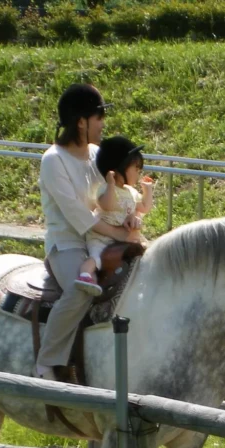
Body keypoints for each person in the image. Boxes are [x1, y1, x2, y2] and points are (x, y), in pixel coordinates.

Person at [35, 84, 140, 381]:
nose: (103, 123)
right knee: (82, 290)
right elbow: (78, 216)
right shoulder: (53, 161)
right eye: (99, 117)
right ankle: (46, 363)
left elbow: (118, 191)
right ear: (81, 121)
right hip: (67, 245)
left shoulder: (97, 154)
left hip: (102, 238)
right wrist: (119, 235)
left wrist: (130, 217)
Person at [75, 136, 154, 296]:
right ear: (119, 170)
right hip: (102, 238)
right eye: (135, 168)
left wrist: (148, 190)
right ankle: (85, 275)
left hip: (124, 238)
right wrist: (111, 185)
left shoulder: (131, 192)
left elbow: (145, 207)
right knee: (97, 256)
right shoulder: (105, 189)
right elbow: (107, 205)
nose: (138, 172)